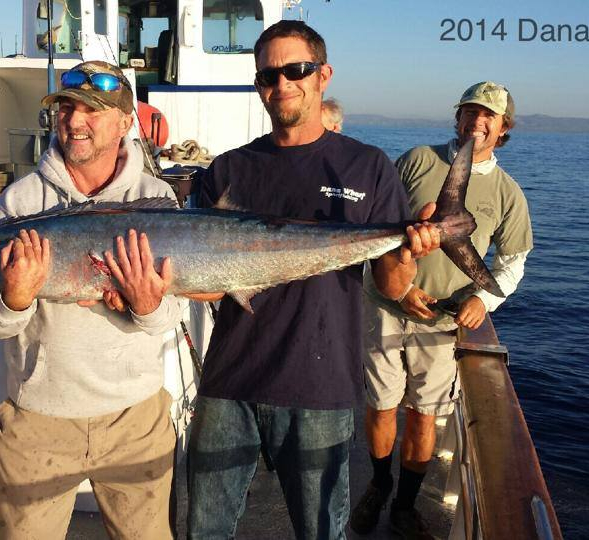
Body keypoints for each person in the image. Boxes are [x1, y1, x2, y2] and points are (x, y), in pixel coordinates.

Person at [185, 21, 441, 539]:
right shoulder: (229, 169)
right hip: (227, 384)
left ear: (323, 75)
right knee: (203, 532)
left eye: (295, 70)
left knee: (322, 531)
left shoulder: (367, 167)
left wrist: (412, 251)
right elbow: (208, 283)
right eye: (267, 76)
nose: (281, 85)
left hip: (319, 388)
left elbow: (391, 287)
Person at [0, 60, 184, 539]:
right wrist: (15, 300)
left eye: (92, 110)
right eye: (67, 107)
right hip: (38, 422)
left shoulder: (156, 198)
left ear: (125, 122)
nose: (74, 121)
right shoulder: (20, 202)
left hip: (136, 419)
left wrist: (147, 305)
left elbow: (170, 316)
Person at [352, 81, 533, 539]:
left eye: (489, 115)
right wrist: (398, 288)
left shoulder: (509, 194)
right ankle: (378, 483)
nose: (478, 120)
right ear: (457, 118)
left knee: (423, 414)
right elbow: (376, 225)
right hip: (385, 305)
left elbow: (512, 265)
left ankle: (405, 504)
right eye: (470, 111)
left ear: (504, 127)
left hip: (443, 320)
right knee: (380, 407)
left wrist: (481, 299)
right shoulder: (417, 159)